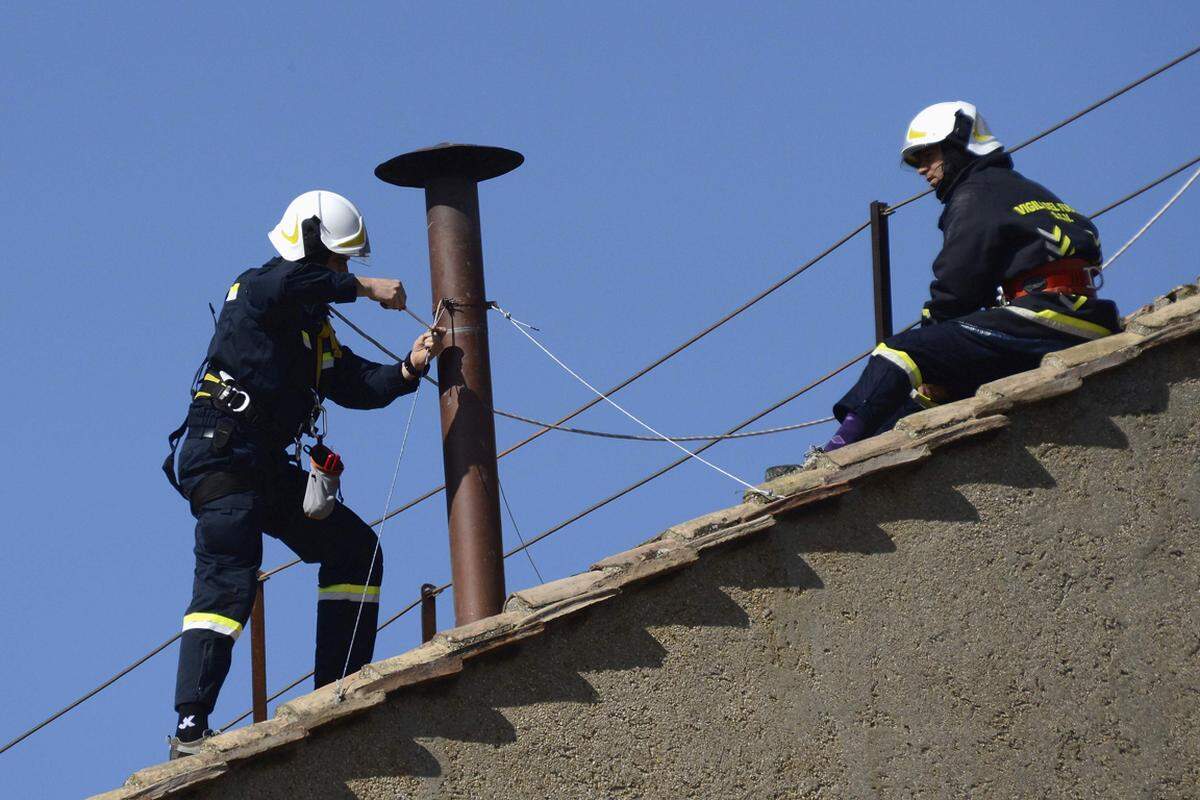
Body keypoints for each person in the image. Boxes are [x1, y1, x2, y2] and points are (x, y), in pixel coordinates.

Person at [162, 190, 444, 758]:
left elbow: (353, 383)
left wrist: (410, 367)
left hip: (264, 465)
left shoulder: (314, 331)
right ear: (310, 244)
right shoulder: (261, 287)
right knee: (229, 581)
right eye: (338, 260)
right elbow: (293, 282)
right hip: (222, 456)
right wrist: (366, 287)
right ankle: (191, 727)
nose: (343, 272)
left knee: (355, 549)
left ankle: (336, 692)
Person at [818, 101, 1120, 453]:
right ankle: (870, 450)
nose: (921, 169)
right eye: (915, 161)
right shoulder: (1030, 191)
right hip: (1087, 318)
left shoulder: (973, 196)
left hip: (1045, 318)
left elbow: (956, 288)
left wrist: (931, 347)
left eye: (926, 155)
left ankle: (835, 451)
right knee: (942, 396)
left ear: (958, 142)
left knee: (898, 352)